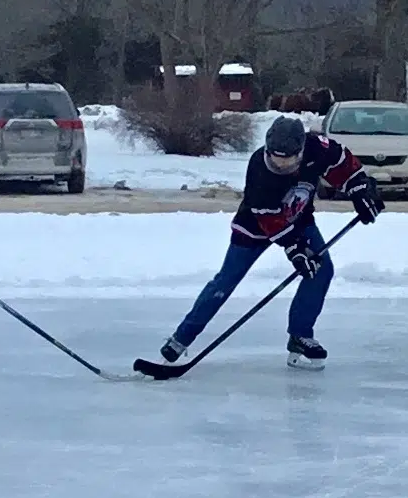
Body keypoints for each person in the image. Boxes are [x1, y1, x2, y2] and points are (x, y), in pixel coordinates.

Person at [159, 115, 381, 372]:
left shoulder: (318, 147)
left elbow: (345, 165)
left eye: (287, 160)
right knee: (225, 281)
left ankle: (300, 337)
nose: (280, 164)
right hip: (253, 228)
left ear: (300, 150)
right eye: (275, 158)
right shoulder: (258, 166)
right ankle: (181, 338)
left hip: (299, 220)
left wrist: (361, 191)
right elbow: (267, 216)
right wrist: (295, 249)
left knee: (321, 270)